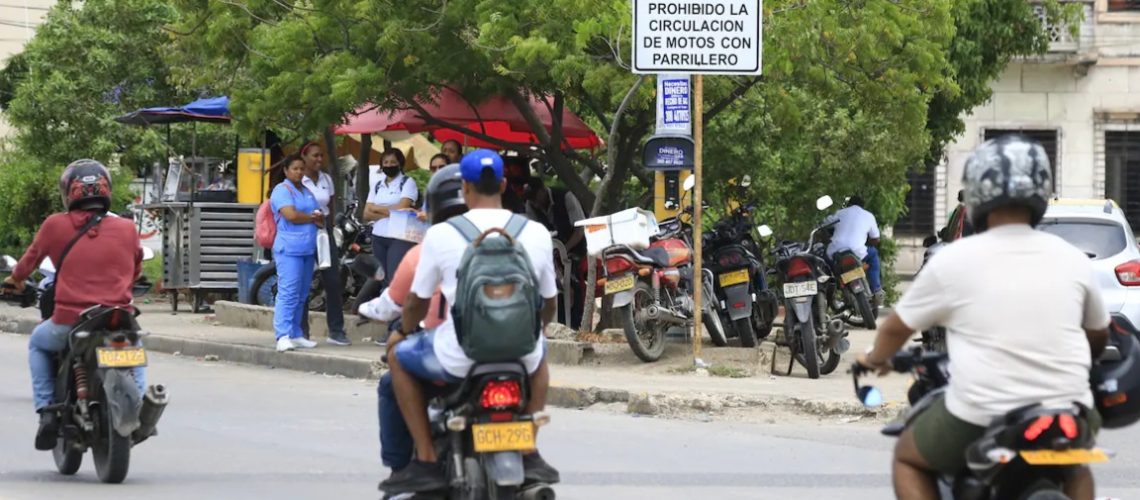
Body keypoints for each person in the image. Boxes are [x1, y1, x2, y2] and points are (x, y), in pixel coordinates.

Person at [856, 135, 1109, 500]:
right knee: (1076, 466)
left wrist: (876, 359)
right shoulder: (1072, 258)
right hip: (1069, 409)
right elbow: (1098, 335)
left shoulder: (954, 259)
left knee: (907, 458)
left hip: (981, 412)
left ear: (976, 195)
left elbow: (896, 328)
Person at [379, 149, 560, 494]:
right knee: (540, 350)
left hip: (458, 354)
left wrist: (401, 332)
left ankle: (426, 460)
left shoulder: (442, 234)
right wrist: (534, 332)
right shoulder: (535, 232)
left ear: (465, 187)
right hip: (520, 355)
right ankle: (528, 450)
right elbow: (549, 302)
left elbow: (416, 302)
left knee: (397, 359)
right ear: (504, 185)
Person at [3, 160, 147, 450]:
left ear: (69, 193)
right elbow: (136, 270)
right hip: (118, 318)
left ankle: (47, 412)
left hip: (71, 320)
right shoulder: (127, 228)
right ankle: (141, 408)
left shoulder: (55, 225)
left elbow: (27, 264)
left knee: (38, 343)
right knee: (135, 350)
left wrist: (14, 281)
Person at [360, 163, 465, 476]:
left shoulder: (429, 249)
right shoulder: (508, 241)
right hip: (509, 354)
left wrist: (394, 325)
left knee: (391, 381)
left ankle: (404, 468)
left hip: (449, 350)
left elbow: (404, 303)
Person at [297, 141, 350, 346]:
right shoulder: (298, 179)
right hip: (304, 230)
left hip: (324, 231)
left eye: (321, 155)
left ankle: (336, 330)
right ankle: (301, 331)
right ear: (304, 157)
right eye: (315, 155)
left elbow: (331, 204)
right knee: (303, 280)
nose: (319, 159)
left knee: (333, 280)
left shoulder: (326, 179)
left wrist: (330, 229)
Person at [270, 155, 323, 353]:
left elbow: (318, 215)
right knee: (288, 292)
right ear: (286, 170)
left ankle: (295, 334)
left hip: (307, 248)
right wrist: (311, 217)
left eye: (302, 169)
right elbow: (291, 215)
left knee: (302, 294)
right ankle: (282, 335)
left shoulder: (307, 191)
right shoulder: (282, 190)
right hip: (289, 249)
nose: (299, 172)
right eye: (295, 168)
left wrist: (317, 218)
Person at [525, 176, 587, 329]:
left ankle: (575, 324)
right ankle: (555, 324)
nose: (535, 203)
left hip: (575, 249)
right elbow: (533, 233)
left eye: (535, 198)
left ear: (542, 190)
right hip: (550, 252)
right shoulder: (530, 205)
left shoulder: (566, 197)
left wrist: (564, 249)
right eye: (531, 200)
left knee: (573, 281)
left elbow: (580, 230)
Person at [365, 149, 419, 288]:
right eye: (386, 162)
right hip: (378, 236)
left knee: (394, 277)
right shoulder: (377, 185)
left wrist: (376, 208)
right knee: (381, 277)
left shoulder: (407, 182)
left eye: (393, 162)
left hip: (398, 237)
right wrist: (391, 211)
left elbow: (402, 208)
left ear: (400, 164)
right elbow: (366, 214)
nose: (389, 165)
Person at [823, 195, 883, 306]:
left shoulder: (840, 213)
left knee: (825, 265)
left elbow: (824, 224)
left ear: (849, 204)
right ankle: (877, 289)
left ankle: (829, 295)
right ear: (863, 206)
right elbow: (876, 239)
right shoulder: (868, 215)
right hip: (858, 252)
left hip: (836, 252)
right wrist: (867, 244)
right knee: (873, 254)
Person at [416, 153, 450, 222]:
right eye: (433, 168)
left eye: (441, 167)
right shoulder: (429, 191)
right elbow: (424, 212)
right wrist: (415, 212)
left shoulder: (454, 190)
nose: (437, 171)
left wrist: (429, 217)